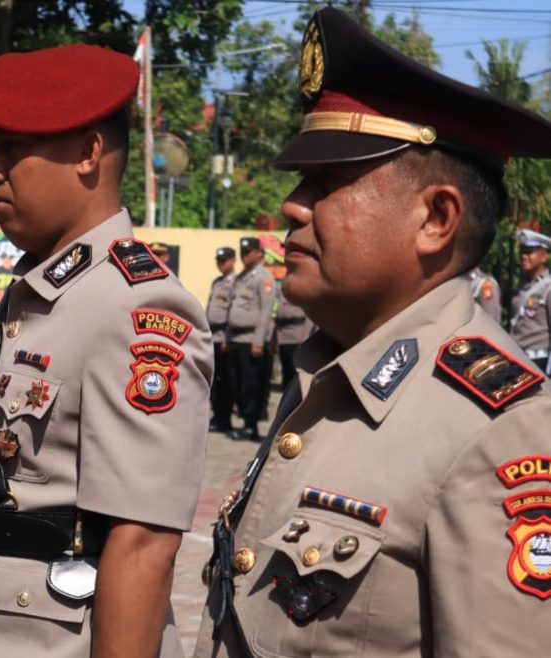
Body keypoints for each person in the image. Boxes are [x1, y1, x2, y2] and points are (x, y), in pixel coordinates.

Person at [195, 8, 551, 657]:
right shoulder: (328, 372)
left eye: (328, 179)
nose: (292, 205)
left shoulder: (495, 429)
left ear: (436, 219)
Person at [0, 43, 213, 658]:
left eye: (12, 148)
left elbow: (144, 543)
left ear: (87, 153)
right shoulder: (46, 288)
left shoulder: (135, 306)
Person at [224, 236, 275, 441]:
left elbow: (265, 311)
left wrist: (258, 342)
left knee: (250, 385)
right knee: (235, 384)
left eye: (248, 252)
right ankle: (244, 423)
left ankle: (251, 426)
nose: (245, 256)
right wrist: (227, 336)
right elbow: (231, 308)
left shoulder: (264, 278)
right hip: (235, 339)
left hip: (250, 341)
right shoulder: (241, 277)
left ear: (257, 253)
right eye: (242, 253)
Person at [510, 229, 551, 372]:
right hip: (518, 358)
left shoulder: (548, 289)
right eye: (522, 251)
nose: (524, 256)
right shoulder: (523, 287)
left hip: (539, 362)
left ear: (544, 256)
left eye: (530, 252)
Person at [207, 246, 237, 432]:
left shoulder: (237, 282)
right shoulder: (217, 282)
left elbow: (232, 312)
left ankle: (224, 418)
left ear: (233, 261)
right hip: (212, 336)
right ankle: (217, 416)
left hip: (224, 336)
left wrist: (228, 336)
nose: (221, 264)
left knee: (225, 380)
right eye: (218, 261)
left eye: (224, 261)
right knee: (213, 381)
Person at [273, 277, 313, 391]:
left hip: (298, 339)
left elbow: (310, 317)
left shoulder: (306, 286)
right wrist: (274, 340)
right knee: (286, 376)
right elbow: (278, 316)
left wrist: (306, 340)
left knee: (297, 377)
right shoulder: (283, 288)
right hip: (283, 339)